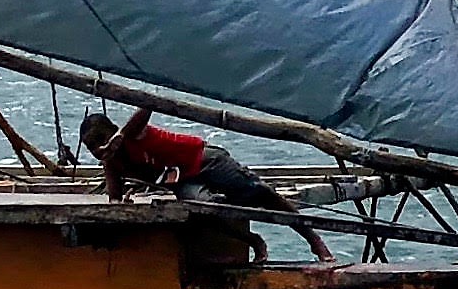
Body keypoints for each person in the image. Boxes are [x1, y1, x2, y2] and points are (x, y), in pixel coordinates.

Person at [81, 107, 332, 260]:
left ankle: (314, 241)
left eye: (100, 140)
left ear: (113, 131)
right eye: (91, 147)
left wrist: (120, 136)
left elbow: (147, 105)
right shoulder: (111, 163)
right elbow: (114, 197)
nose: (97, 149)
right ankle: (252, 240)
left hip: (202, 158)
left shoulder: (132, 133)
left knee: (261, 193)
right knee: (204, 210)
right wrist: (123, 203)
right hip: (182, 181)